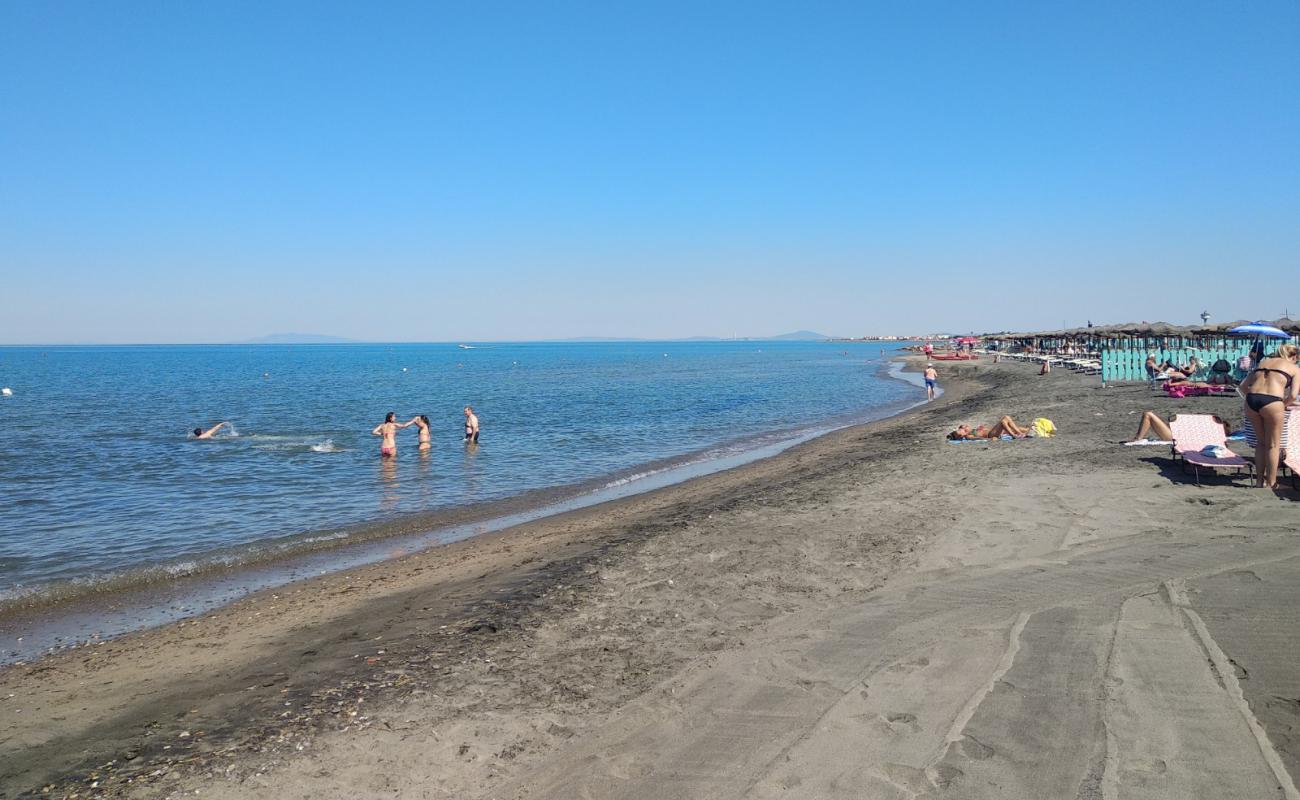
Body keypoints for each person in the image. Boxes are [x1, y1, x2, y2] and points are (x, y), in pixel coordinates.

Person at [1238, 343, 1300, 488]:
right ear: (1294, 356)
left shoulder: (1263, 362)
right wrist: (1281, 405)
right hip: (1272, 401)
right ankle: (1272, 482)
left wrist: (1255, 397)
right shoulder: (1294, 368)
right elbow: (1293, 395)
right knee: (1273, 445)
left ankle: (1260, 482)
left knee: (1261, 443)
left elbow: (1242, 386)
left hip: (1251, 401)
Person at [948, 416, 1030, 440]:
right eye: (960, 430)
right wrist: (991, 439)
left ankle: (1025, 432)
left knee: (1007, 419)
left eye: (960, 429)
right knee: (1003, 421)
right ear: (961, 435)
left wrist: (980, 428)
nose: (962, 428)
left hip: (992, 430)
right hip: (991, 434)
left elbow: (965, 427)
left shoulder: (970, 431)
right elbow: (978, 439)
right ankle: (1014, 435)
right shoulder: (968, 436)